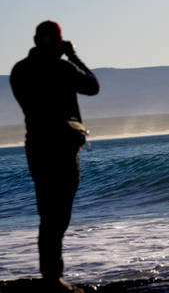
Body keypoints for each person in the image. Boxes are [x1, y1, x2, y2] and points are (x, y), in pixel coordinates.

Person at [10, 21, 99, 292]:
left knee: (48, 215)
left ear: (36, 40)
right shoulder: (62, 68)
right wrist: (72, 55)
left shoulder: (20, 70)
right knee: (57, 216)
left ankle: (51, 276)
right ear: (59, 41)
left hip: (36, 147)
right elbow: (93, 86)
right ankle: (53, 279)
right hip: (61, 148)